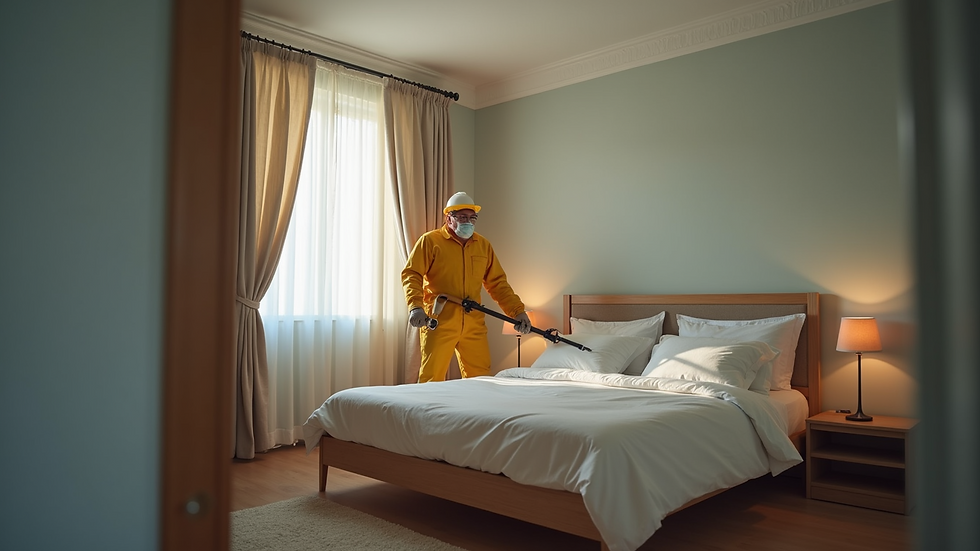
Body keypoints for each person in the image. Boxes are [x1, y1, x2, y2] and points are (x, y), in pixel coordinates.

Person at [402, 192, 532, 382]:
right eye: (462, 217)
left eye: (472, 218)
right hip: (439, 319)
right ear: (449, 218)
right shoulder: (430, 242)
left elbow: (497, 283)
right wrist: (415, 306)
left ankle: (476, 412)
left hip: (473, 322)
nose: (468, 222)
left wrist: (517, 312)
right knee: (432, 377)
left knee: (480, 378)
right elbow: (411, 274)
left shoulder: (483, 245)